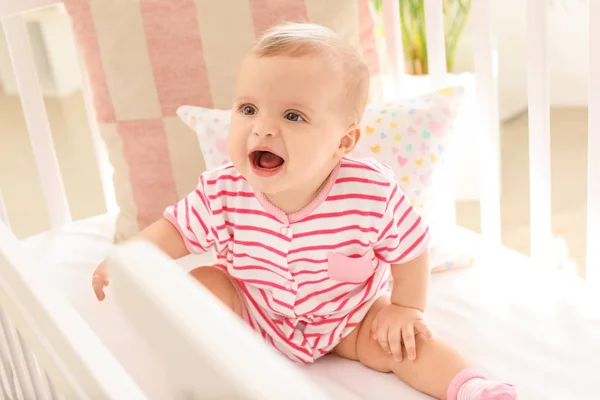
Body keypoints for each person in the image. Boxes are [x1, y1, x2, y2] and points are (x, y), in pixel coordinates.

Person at [92, 22, 516, 400]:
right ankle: (204, 372)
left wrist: (406, 308)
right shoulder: (224, 189)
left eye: (293, 115)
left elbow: (410, 248)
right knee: (204, 282)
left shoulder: (369, 191)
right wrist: (130, 257)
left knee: (401, 342)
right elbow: (177, 231)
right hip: (253, 308)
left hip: (348, 316)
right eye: (248, 109)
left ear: (344, 142)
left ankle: (471, 388)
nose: (262, 127)